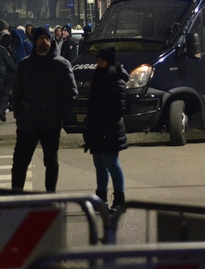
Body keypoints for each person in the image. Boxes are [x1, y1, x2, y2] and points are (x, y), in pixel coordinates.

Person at [10, 26, 78, 192]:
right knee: (20, 162)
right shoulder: (25, 64)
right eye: (41, 38)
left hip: (51, 121)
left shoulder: (61, 64)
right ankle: (15, 197)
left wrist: (61, 116)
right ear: (35, 41)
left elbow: (72, 94)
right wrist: (19, 113)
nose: (44, 41)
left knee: (51, 161)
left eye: (47, 38)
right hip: (28, 122)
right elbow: (16, 92)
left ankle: (50, 196)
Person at [83, 46, 129, 209]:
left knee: (111, 163)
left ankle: (119, 199)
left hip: (109, 130)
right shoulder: (99, 76)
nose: (98, 62)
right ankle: (100, 197)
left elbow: (117, 110)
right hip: (97, 128)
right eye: (98, 59)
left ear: (108, 61)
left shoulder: (116, 80)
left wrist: (104, 128)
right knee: (99, 165)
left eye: (101, 60)